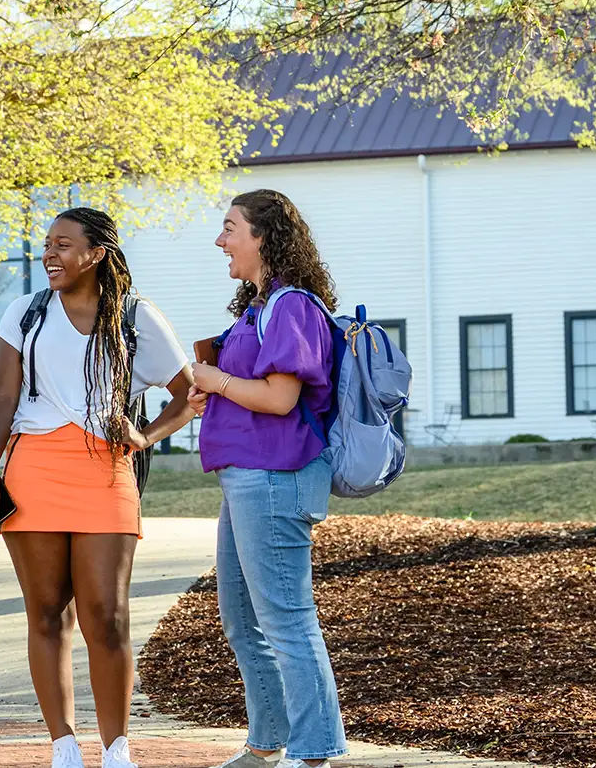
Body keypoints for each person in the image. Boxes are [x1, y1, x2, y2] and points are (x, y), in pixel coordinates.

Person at [0, 207, 196, 768]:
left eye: (64, 245)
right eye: (47, 244)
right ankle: (63, 746)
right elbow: (2, 398)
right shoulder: (22, 313)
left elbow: (189, 395)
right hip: (33, 468)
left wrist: (145, 436)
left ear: (96, 253)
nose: (50, 255)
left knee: (108, 615)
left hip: (105, 468)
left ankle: (117, 749)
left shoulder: (137, 316)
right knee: (47, 614)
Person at [184, 189, 347, 768]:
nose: (220, 240)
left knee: (287, 620)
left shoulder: (293, 306)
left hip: (276, 477)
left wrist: (215, 380)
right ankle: (266, 743)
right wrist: (214, 394)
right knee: (243, 621)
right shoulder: (258, 308)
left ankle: (314, 750)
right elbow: (253, 394)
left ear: (263, 237)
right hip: (246, 480)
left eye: (231, 228)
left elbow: (281, 399)